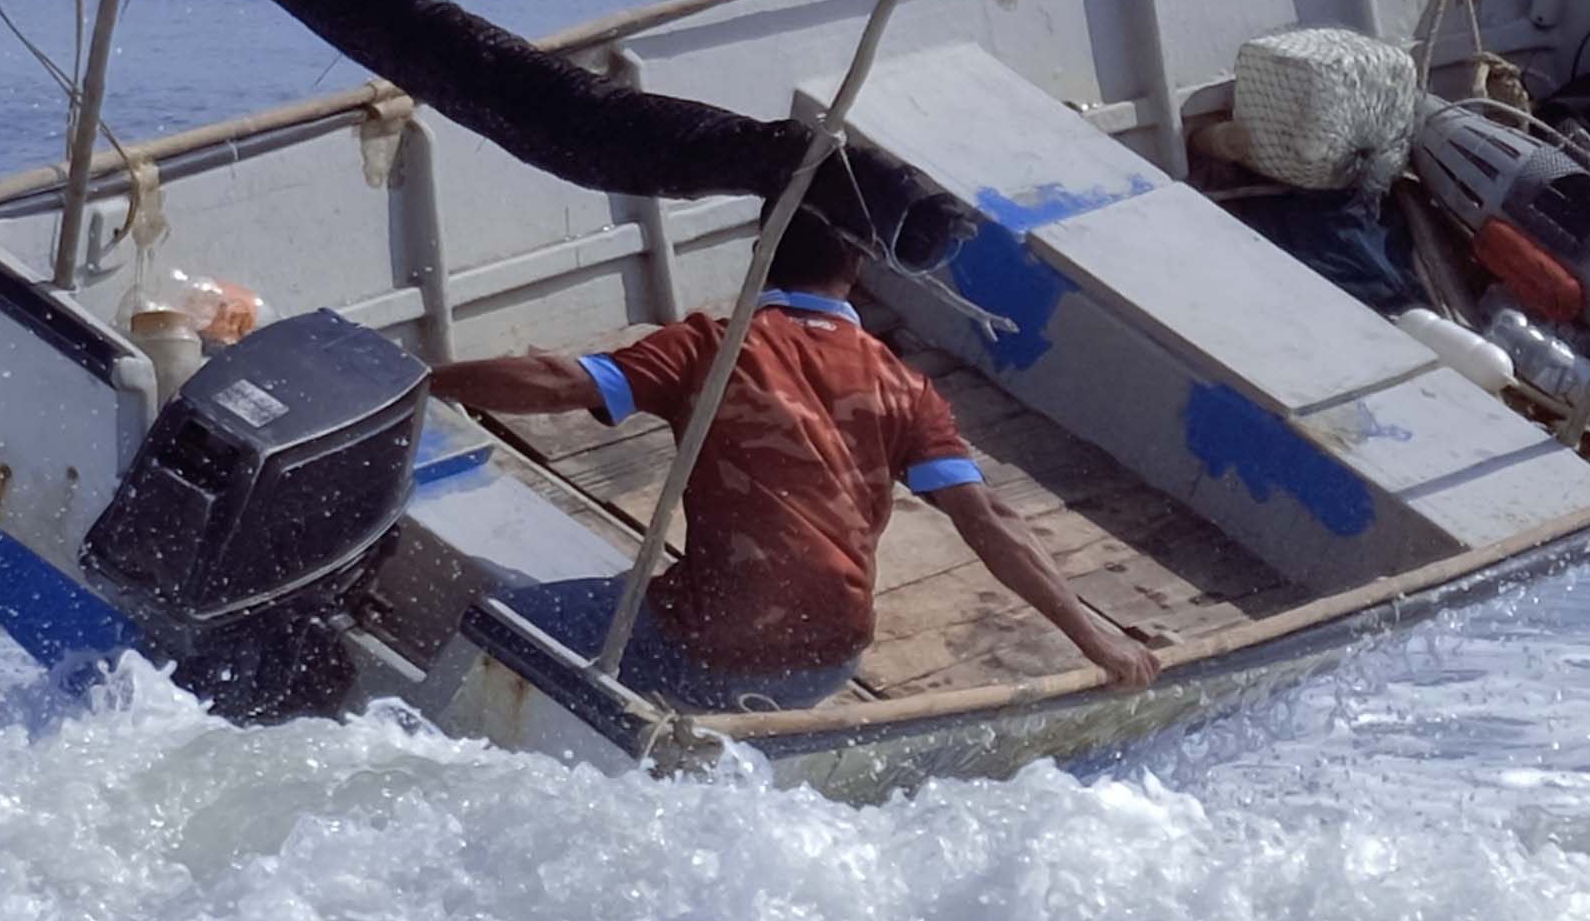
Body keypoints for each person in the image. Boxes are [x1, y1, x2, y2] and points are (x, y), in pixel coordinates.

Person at [429, 214, 1163, 712]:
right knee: (639, 603)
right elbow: (989, 519)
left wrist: (425, 381)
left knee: (500, 622)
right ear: (857, 269)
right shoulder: (905, 386)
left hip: (708, 643)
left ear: (760, 252)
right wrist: (1099, 641)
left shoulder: (710, 345)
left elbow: (558, 383)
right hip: (825, 661)